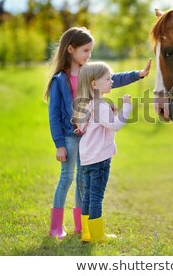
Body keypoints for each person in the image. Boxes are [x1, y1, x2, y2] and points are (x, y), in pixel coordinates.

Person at [44, 27, 151, 239]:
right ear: (70, 49)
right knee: (67, 177)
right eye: (85, 50)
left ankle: (80, 225)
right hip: (69, 136)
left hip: (86, 139)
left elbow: (112, 79)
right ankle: (56, 227)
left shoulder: (87, 72)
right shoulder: (59, 80)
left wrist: (138, 75)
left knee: (83, 182)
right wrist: (59, 144)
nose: (89, 55)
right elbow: (54, 114)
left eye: (91, 51)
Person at [73, 62, 132, 242]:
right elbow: (115, 125)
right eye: (107, 78)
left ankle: (87, 233)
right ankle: (98, 235)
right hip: (99, 158)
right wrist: (126, 107)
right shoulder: (100, 105)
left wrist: (112, 112)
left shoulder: (88, 104)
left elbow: (93, 126)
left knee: (89, 195)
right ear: (94, 84)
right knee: (97, 195)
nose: (112, 81)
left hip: (87, 157)